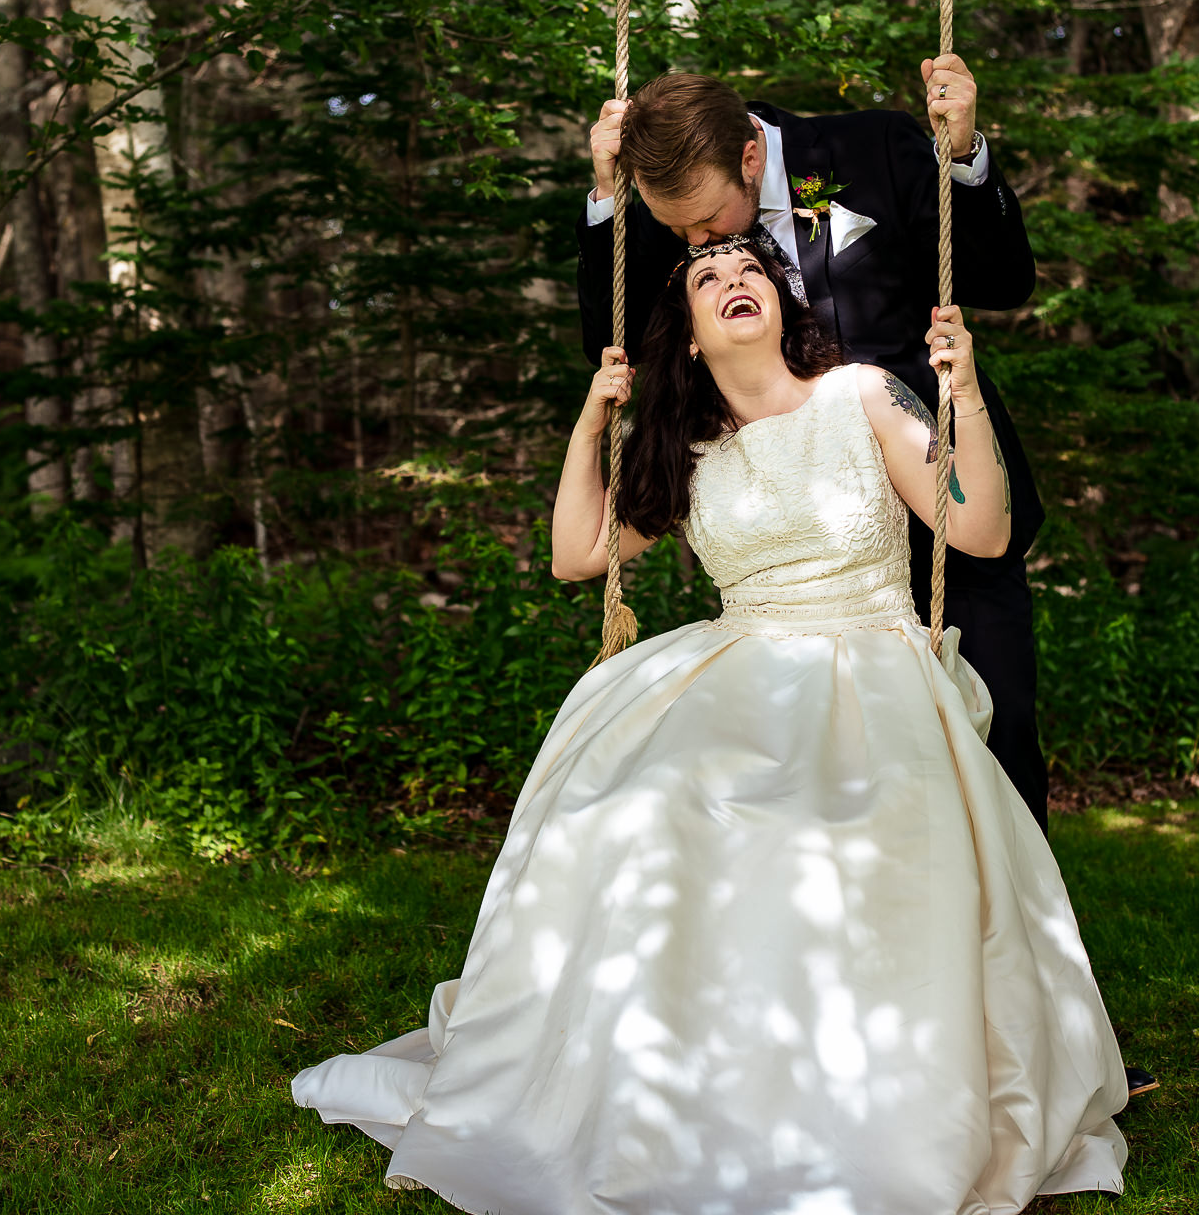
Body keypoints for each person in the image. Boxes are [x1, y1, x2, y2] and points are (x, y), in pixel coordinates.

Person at [292, 231, 1129, 1213]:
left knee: (827, 825)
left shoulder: (861, 393)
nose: (736, 283)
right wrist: (591, 415)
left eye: (752, 273)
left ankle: (853, 1098)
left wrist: (968, 390)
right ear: (688, 335)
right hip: (741, 666)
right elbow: (577, 554)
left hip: (874, 663)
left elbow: (978, 527)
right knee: (646, 802)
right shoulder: (686, 449)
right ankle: (668, 1080)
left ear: (782, 300)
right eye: (709, 277)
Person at [574, 59, 1056, 838]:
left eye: (705, 222)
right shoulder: (670, 204)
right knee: (815, 784)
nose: (698, 244)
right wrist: (606, 201)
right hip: (797, 542)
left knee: (993, 730)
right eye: (679, 234)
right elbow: (615, 345)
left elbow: (1003, 278)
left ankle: (1016, 939)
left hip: (941, 506)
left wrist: (964, 158)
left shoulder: (874, 147)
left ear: (751, 159)